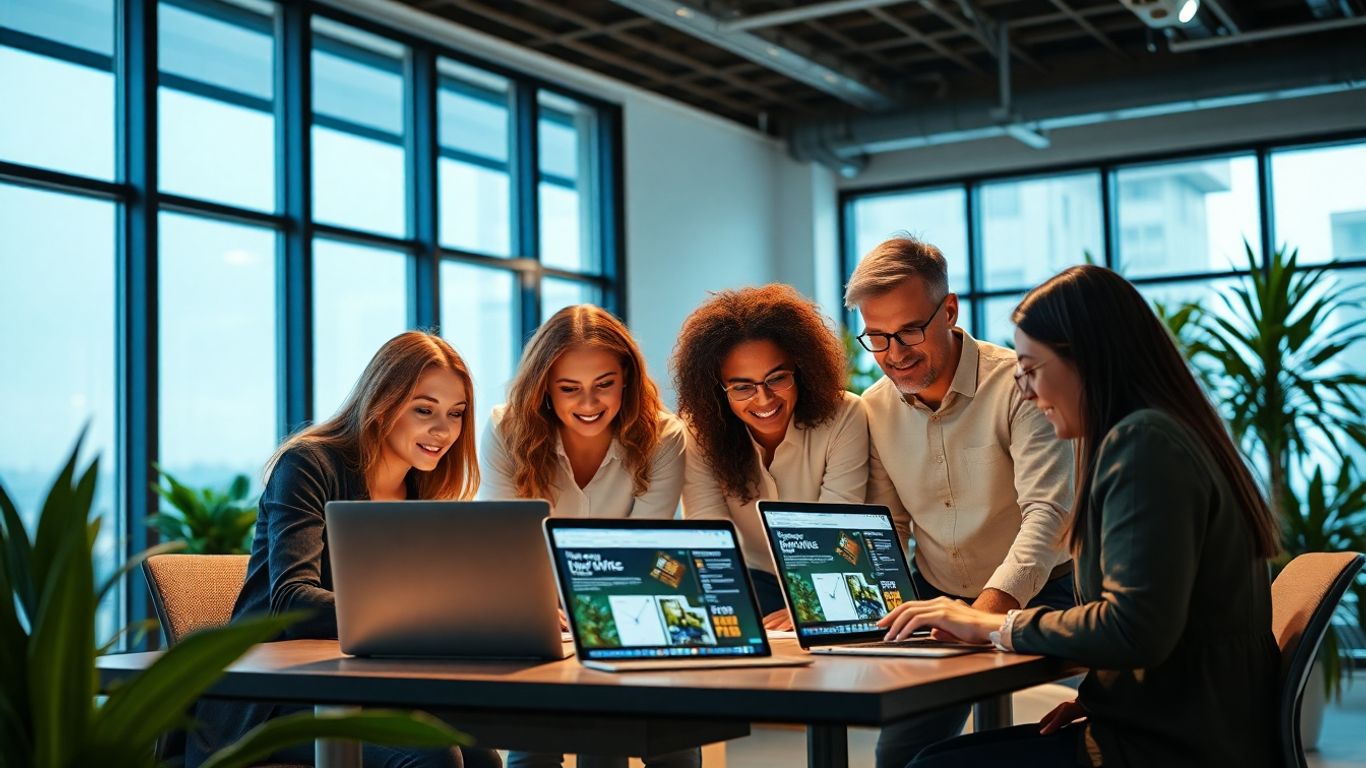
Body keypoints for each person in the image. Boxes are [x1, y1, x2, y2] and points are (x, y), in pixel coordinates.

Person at [880, 265, 1280, 768]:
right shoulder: (1160, 434)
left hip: (1172, 745)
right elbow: (1162, 619)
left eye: (1031, 368)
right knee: (928, 757)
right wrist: (1095, 701)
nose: (1024, 390)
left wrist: (994, 626)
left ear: (1087, 359)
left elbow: (1134, 628)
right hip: (1173, 722)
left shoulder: (1142, 446)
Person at [186, 331, 499, 768]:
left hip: (361, 689)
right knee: (435, 757)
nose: (443, 430)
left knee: (483, 757)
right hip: (271, 701)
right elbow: (292, 601)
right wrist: (424, 617)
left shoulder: (424, 490)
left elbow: (430, 599)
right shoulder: (311, 465)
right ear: (382, 403)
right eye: (423, 410)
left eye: (456, 413)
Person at [845, 235, 1076, 768]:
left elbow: (1048, 515)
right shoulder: (875, 408)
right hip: (936, 596)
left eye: (908, 331)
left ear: (948, 310)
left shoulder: (1018, 385)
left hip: (1053, 591)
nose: (893, 355)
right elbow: (886, 526)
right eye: (876, 338)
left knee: (1120, 712)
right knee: (899, 757)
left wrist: (985, 616)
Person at [478, 304, 691, 768]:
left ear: (627, 380)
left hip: (631, 611)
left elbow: (645, 550)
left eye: (604, 385)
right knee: (533, 751)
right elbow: (505, 544)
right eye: (569, 389)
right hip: (541, 617)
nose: (589, 404)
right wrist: (538, 610)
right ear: (544, 390)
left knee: (671, 746)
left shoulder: (664, 436)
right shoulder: (506, 430)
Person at [673, 284, 868, 623]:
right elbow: (710, 535)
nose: (763, 399)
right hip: (750, 579)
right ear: (717, 390)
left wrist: (810, 608)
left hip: (831, 577)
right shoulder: (697, 430)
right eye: (742, 386)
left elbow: (838, 528)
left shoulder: (846, 415)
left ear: (802, 370)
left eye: (777, 378)